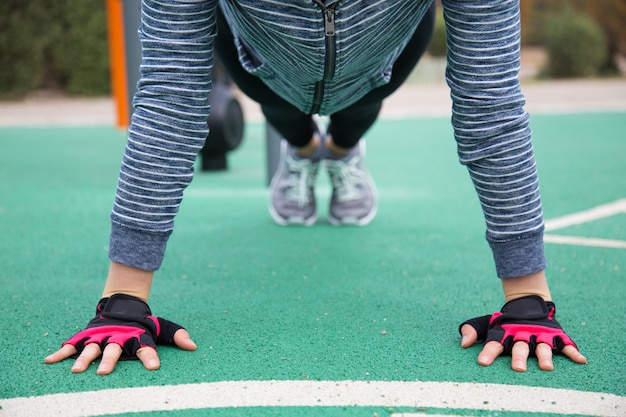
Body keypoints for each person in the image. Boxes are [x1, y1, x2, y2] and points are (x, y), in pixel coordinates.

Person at [44, 0, 587, 375]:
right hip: (262, 59)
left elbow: (489, 103)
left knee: (355, 108)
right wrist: (122, 301)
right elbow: (169, 102)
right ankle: (305, 155)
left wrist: (527, 298)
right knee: (287, 110)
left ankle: (343, 152)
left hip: (382, 56)